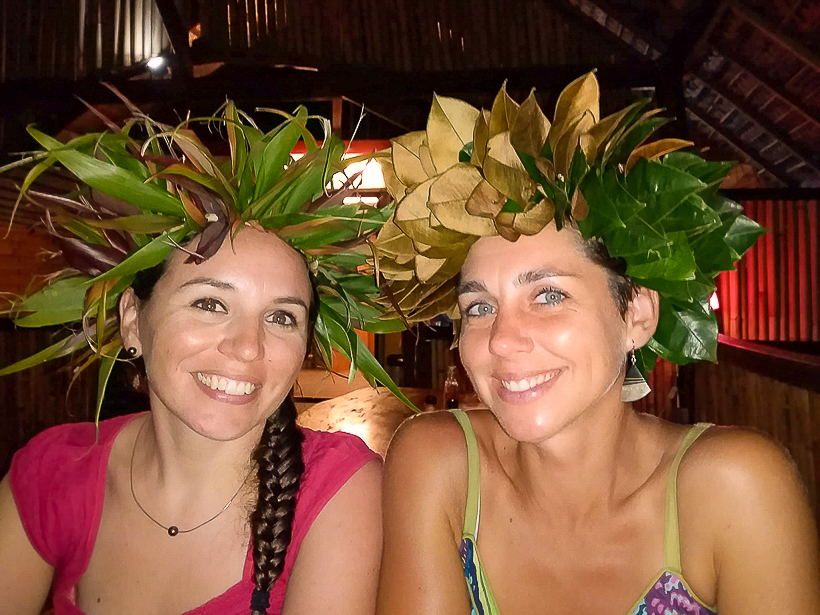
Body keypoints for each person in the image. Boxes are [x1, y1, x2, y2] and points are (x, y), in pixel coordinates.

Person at [374, 74, 820, 614]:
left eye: (547, 295)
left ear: (636, 314)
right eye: (480, 308)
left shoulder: (734, 489)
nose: (503, 341)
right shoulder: (439, 464)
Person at [0, 99, 400, 614]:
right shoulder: (53, 474)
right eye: (210, 304)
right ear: (131, 321)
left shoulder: (337, 489)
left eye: (281, 317)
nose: (248, 347)